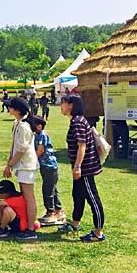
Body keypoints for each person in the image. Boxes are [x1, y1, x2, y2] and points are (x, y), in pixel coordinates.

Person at [58, 95, 106, 242]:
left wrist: (78, 166)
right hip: (80, 167)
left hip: (85, 168)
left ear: (71, 105)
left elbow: (82, 146)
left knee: (92, 198)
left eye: (63, 103)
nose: (61, 106)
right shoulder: (77, 120)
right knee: (77, 195)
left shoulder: (78, 122)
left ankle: (98, 233)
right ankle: (75, 224)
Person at [4, 97, 39, 241]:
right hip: (22, 165)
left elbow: (21, 149)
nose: (9, 109)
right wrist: (9, 162)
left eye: (11, 107)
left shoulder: (24, 126)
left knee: (29, 197)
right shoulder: (18, 123)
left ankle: (31, 229)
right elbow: (15, 146)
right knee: (24, 196)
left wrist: (11, 164)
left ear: (17, 110)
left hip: (27, 166)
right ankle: (24, 224)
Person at [32, 116, 65, 225]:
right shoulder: (36, 135)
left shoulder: (42, 135)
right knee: (53, 188)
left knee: (48, 189)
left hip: (49, 166)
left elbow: (41, 149)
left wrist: (33, 160)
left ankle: (50, 213)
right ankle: (58, 210)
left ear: (39, 126)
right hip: (46, 166)